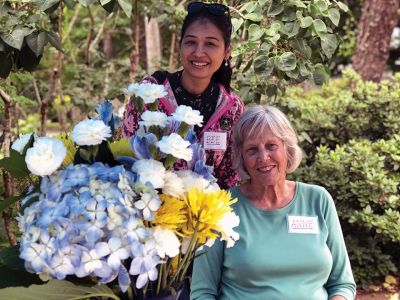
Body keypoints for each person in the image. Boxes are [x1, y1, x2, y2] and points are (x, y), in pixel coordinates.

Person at [191, 105, 357, 300]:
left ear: (287, 149)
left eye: (272, 146)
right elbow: (202, 293)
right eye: (252, 150)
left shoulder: (318, 200)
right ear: (242, 158)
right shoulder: (221, 206)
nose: (263, 158)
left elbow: (343, 284)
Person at [121, 1, 244, 189]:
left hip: (207, 214)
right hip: (149, 209)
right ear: (180, 46)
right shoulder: (149, 95)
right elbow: (125, 157)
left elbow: (231, 178)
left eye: (210, 44)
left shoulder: (232, 108)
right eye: (190, 42)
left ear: (227, 51)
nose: (199, 52)